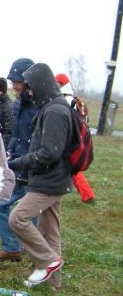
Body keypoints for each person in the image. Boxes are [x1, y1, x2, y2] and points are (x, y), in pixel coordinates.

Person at [8, 63, 73, 289]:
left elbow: (50, 152)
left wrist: (18, 162)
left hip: (49, 181)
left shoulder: (55, 111)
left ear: (41, 85)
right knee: (49, 228)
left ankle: (48, 261)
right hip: (56, 178)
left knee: (17, 218)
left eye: (31, 88)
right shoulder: (55, 107)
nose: (30, 92)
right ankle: (54, 283)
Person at [0, 58, 37, 263]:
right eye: (12, 81)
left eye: (17, 81)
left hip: (34, 170)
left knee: (30, 215)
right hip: (16, 167)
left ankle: (37, 256)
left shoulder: (40, 106)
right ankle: (12, 248)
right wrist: (9, 151)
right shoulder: (18, 104)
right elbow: (16, 134)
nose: (14, 85)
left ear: (28, 80)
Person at [55, 73, 96, 204]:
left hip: (70, 138)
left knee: (71, 167)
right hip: (76, 137)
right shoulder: (72, 98)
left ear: (60, 84)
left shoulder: (65, 100)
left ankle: (88, 195)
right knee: (71, 167)